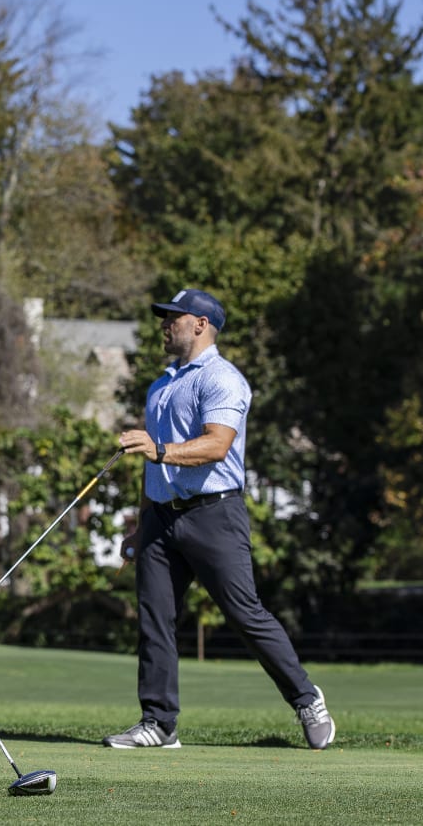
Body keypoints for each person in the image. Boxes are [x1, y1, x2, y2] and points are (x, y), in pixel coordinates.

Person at [103, 289, 335, 751]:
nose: (165, 324)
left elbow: (217, 445)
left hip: (214, 513)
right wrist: (141, 522)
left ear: (201, 325)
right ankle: (158, 723)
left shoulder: (223, 379)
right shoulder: (161, 385)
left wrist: (159, 449)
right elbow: (155, 465)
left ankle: (306, 698)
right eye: (164, 318)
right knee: (155, 618)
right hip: (161, 519)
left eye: (174, 317)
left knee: (244, 613)